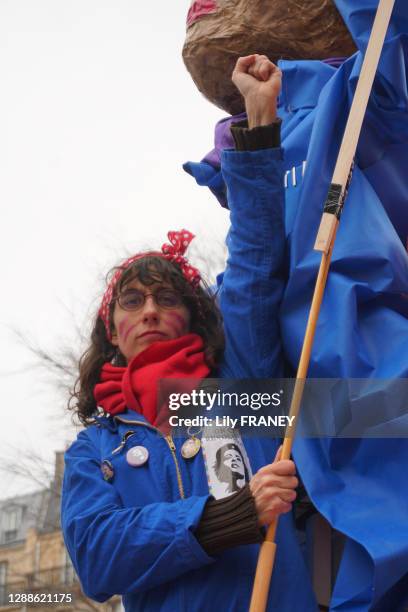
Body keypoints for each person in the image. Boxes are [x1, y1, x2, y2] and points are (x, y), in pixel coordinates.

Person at [61, 55, 317, 611]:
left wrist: (259, 120)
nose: (150, 310)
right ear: (113, 331)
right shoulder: (94, 448)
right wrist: (230, 516)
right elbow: (94, 559)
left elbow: (254, 260)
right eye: (133, 300)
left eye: (166, 297)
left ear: (191, 316)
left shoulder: (241, 388)